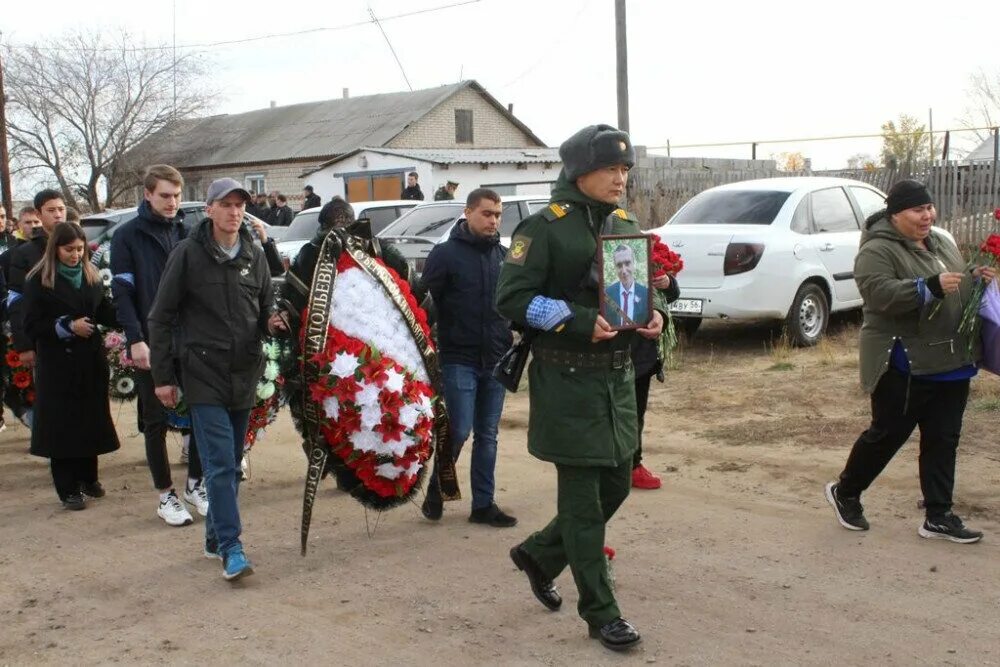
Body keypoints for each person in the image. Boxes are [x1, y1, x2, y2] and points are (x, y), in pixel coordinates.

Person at [496, 124, 665, 652]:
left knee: (616, 484)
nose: (620, 179)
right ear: (579, 172)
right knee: (584, 504)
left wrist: (651, 315)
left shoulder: (624, 222)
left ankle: (540, 555)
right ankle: (600, 611)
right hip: (567, 379)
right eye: (610, 169)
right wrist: (575, 318)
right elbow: (512, 299)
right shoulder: (545, 228)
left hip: (616, 379)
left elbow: (632, 291)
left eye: (624, 170)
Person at [825, 179, 996, 544]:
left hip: (951, 358)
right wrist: (926, 287)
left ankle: (938, 516)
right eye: (918, 210)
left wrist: (974, 277)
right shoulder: (877, 250)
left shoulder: (941, 241)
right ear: (895, 214)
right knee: (888, 435)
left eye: (929, 208)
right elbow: (877, 293)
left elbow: (953, 281)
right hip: (905, 360)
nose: (927, 215)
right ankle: (846, 492)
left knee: (943, 437)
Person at [148, 177, 286, 581]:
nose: (233, 211)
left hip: (244, 373)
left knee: (229, 465)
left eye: (239, 204)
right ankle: (231, 547)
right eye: (225, 204)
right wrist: (163, 377)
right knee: (223, 465)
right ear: (208, 209)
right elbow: (161, 317)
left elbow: (263, 310)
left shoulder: (253, 254)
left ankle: (213, 537)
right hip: (202, 373)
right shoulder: (187, 255)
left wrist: (273, 322)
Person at [111, 164, 207, 527]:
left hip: (191, 339)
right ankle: (165, 495)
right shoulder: (127, 236)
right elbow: (123, 292)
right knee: (155, 419)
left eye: (177, 196)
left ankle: (196, 485)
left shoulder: (189, 232)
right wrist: (135, 339)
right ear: (148, 194)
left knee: (201, 410)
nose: (172, 202)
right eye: (165, 195)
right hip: (151, 341)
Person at [419, 188, 515, 527]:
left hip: (496, 358)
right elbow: (423, 305)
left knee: (488, 434)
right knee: (458, 430)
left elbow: (513, 305)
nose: (493, 221)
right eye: (487, 213)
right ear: (468, 212)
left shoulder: (504, 256)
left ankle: (483, 505)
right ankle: (437, 486)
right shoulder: (445, 255)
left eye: (498, 215)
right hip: (458, 358)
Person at [23, 222, 120, 509]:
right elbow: (30, 324)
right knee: (63, 426)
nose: (76, 255)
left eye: (80, 249)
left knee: (90, 420)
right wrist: (66, 326)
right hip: (58, 365)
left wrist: (128, 316)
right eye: (69, 250)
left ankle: (88, 478)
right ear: (56, 249)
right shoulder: (38, 280)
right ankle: (67, 488)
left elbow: (101, 308)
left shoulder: (89, 276)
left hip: (89, 360)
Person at [629, 268, 680, 490]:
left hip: (641, 353)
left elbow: (670, 294)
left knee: (636, 413)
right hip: (607, 349)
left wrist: (667, 282)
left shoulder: (640, 251)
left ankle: (633, 466)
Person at [9, 190, 67, 371]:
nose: (58, 215)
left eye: (61, 209)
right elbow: (17, 300)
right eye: (51, 210)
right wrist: (25, 344)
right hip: (45, 338)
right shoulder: (25, 253)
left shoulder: (77, 245)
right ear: (39, 214)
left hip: (80, 338)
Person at [603, 244, 649, 328]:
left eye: (627, 263)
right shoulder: (607, 295)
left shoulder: (646, 294)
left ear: (633, 263)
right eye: (619, 265)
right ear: (615, 267)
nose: (624, 271)